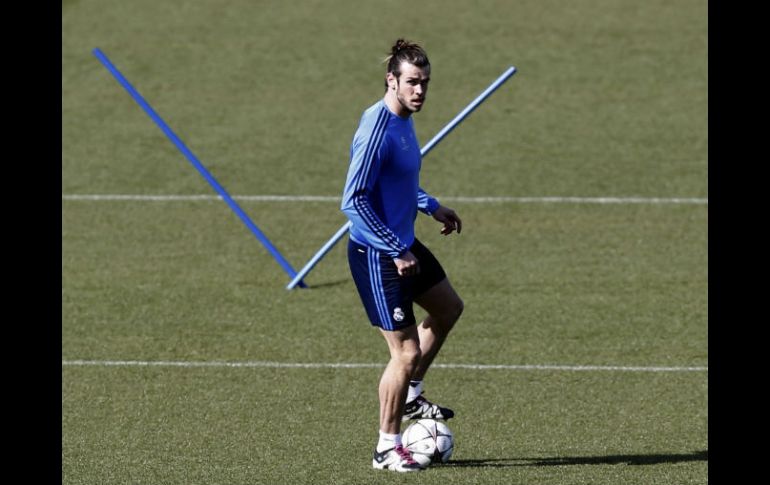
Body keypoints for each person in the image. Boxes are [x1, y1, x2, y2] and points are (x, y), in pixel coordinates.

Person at [340, 39, 465, 472]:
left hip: (403, 243)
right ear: (391, 80)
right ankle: (386, 448)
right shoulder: (376, 130)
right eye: (412, 82)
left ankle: (411, 394)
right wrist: (395, 248)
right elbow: (354, 200)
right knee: (405, 353)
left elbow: (398, 183)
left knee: (448, 308)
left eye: (425, 82)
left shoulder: (404, 121)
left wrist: (430, 205)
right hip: (378, 255)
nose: (420, 90)